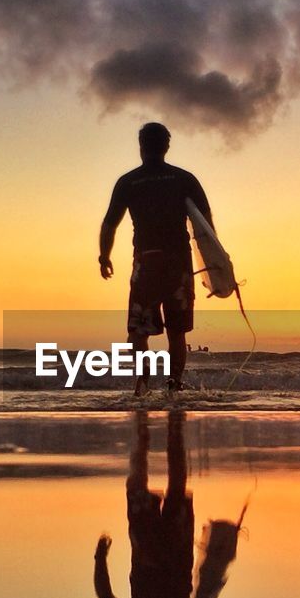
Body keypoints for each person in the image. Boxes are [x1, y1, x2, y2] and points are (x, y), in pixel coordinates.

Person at [93, 411, 242, 598]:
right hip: (168, 554)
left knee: (144, 486)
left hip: (156, 554)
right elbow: (208, 594)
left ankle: (149, 426)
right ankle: (161, 426)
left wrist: (101, 558)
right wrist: (99, 558)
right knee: (169, 487)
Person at [99, 122, 214, 395]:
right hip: (179, 264)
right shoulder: (184, 178)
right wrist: (216, 265)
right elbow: (206, 225)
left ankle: (143, 388)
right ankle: (175, 387)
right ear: (166, 146)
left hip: (147, 263)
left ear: (141, 146)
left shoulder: (128, 182)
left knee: (139, 331)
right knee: (177, 332)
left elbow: (109, 224)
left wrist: (104, 256)